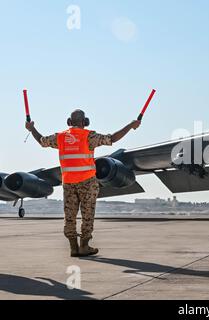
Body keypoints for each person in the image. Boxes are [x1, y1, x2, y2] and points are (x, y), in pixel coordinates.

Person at [25, 109, 141, 257]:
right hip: (87, 182)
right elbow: (112, 138)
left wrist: (31, 128)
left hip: (68, 183)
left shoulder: (60, 138)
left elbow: (42, 141)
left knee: (70, 216)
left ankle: (73, 248)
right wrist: (131, 125)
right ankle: (84, 246)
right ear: (85, 122)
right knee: (87, 215)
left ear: (69, 122)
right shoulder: (89, 136)